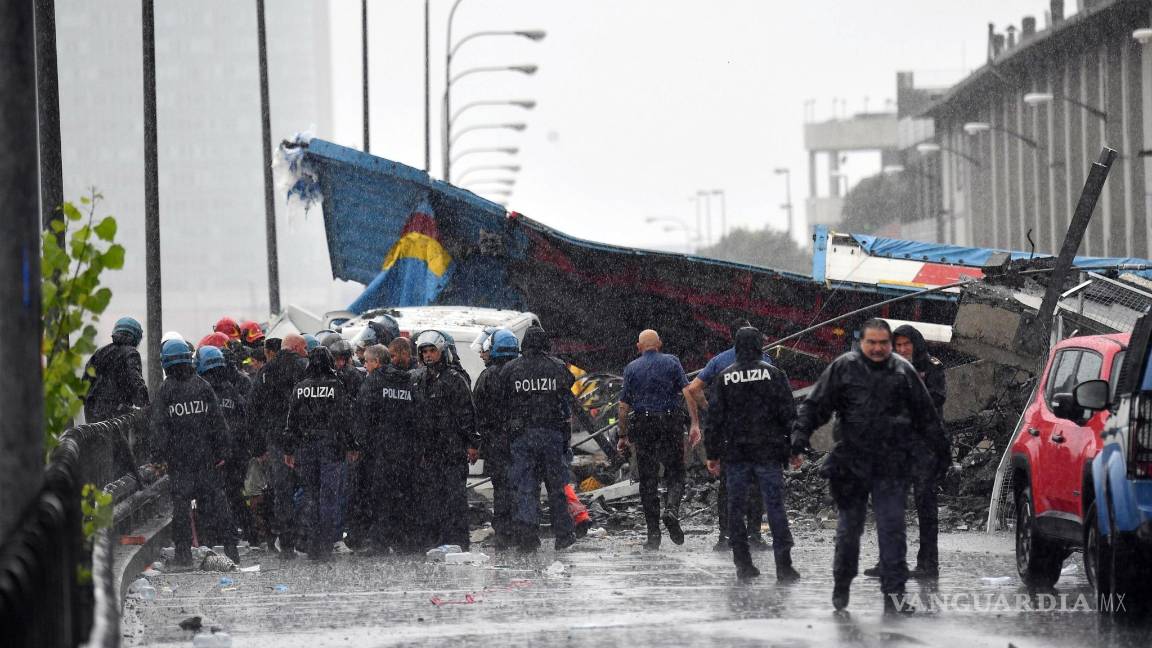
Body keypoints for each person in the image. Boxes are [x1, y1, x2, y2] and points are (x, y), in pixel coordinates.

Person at [791, 318, 948, 614]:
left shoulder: (904, 371)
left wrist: (942, 451)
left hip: (892, 465)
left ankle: (894, 595)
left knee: (892, 530)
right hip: (852, 464)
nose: (877, 348)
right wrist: (799, 436)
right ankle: (842, 583)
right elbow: (815, 405)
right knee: (849, 531)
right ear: (861, 343)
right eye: (871, 343)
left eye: (883, 343)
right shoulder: (843, 368)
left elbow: (927, 415)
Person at [705, 327, 800, 582]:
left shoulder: (724, 377)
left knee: (735, 509)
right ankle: (784, 566)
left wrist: (712, 453)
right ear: (760, 346)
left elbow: (714, 419)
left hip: (736, 453)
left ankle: (743, 564)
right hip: (768, 451)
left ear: (737, 347)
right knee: (775, 507)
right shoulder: (774, 374)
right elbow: (788, 415)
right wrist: (794, 449)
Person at [864, 324, 949, 580]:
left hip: (924, 445)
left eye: (906, 345)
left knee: (925, 506)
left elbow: (936, 399)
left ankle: (928, 564)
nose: (902, 350)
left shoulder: (932, 367)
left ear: (916, 345)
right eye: (898, 345)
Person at [685, 318, 772, 552]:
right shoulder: (765, 361)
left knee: (727, 484)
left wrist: (711, 408)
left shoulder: (719, 361)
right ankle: (754, 535)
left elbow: (693, 388)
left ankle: (725, 536)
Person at [150, 339, 239, 566]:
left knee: (181, 507)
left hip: (179, 461)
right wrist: (223, 451)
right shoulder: (202, 386)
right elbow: (218, 422)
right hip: (205, 458)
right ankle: (229, 550)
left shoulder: (165, 391)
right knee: (217, 503)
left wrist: (157, 457)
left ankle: (184, 554)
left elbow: (158, 427)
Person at [616, 329, 701, 550]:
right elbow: (688, 392)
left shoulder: (631, 368)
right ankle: (671, 509)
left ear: (638, 347)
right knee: (676, 472)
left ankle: (653, 535)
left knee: (648, 481)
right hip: (670, 423)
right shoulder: (672, 362)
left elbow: (623, 407)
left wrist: (623, 436)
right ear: (659, 344)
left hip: (644, 427)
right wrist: (694, 423)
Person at [496, 326, 578, 551]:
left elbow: (502, 400)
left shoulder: (511, 369)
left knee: (525, 486)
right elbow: (567, 390)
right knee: (556, 486)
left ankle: (528, 536)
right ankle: (563, 535)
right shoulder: (557, 366)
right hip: (552, 434)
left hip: (522, 436)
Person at [281, 346, 354, 560]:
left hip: (306, 446)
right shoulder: (337, 386)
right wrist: (351, 445)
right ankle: (326, 544)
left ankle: (312, 544)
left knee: (311, 495)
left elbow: (291, 421)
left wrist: (289, 449)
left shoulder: (300, 387)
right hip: (332, 446)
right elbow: (345, 419)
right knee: (329, 497)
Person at [412, 330, 478, 551]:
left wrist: (472, 443)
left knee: (454, 497)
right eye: (425, 352)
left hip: (452, 448)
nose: (428, 355)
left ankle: (458, 541)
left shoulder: (454, 379)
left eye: (432, 351)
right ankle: (434, 541)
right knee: (431, 497)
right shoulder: (419, 379)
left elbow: (467, 412)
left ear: (442, 351)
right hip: (429, 450)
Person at [352, 344, 420, 552]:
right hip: (404, 449)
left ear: (376, 362)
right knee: (403, 494)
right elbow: (417, 414)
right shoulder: (406, 381)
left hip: (378, 450)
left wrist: (359, 444)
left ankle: (379, 542)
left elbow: (363, 415)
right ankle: (403, 541)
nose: (365, 366)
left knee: (378, 496)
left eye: (366, 361)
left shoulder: (373, 382)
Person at [247, 333, 308, 557]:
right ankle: (308, 539)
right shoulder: (305, 368)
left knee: (281, 492)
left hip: (276, 440)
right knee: (310, 488)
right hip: (303, 439)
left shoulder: (266, 372)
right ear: (295, 347)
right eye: (304, 348)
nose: (306, 351)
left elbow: (252, 409)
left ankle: (286, 543)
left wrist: (258, 447)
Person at [197, 346, 252, 544]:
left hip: (213, 453)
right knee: (233, 494)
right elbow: (244, 418)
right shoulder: (230, 388)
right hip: (233, 452)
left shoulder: (201, 388)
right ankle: (239, 533)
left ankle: (214, 536)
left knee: (212, 495)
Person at [472, 328, 520, 548]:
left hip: (496, 442)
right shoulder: (520, 371)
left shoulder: (488, 376)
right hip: (519, 440)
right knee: (521, 486)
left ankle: (503, 532)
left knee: (501, 487)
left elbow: (477, 410)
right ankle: (521, 528)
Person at [83, 317, 149, 423]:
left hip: (92, 414)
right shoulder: (131, 353)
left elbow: (85, 383)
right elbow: (136, 381)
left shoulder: (100, 352)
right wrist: (146, 406)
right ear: (135, 337)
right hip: (115, 414)